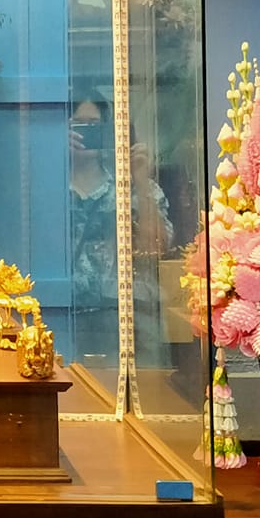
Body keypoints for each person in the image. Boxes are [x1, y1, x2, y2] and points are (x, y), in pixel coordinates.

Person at [66, 91, 172, 341]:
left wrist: (141, 181)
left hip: (126, 320)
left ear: (108, 130)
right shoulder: (48, 191)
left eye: (94, 125)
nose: (86, 133)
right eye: (78, 125)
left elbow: (158, 246)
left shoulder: (131, 188)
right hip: (65, 317)